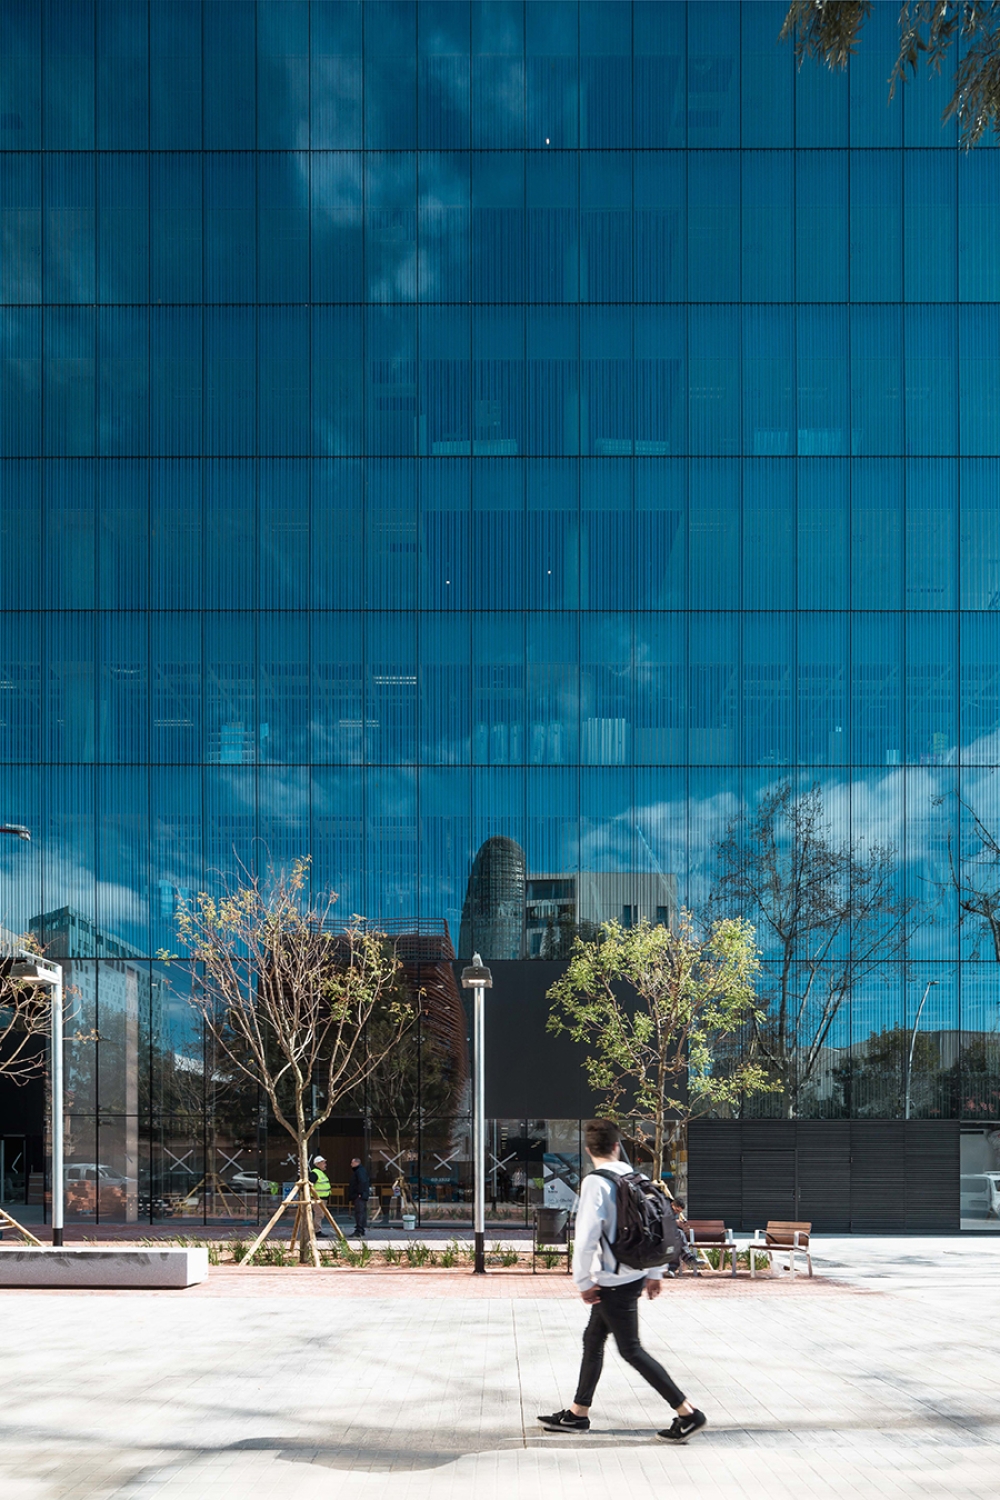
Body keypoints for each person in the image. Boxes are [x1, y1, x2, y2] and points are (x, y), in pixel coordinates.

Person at [537, 1119, 707, 1444]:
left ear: (589, 1151)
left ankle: (687, 1413)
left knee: (631, 1350)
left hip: (612, 1280)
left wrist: (582, 1281)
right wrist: (655, 1273)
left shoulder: (595, 1183)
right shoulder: (638, 1177)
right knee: (593, 1339)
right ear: (617, 1146)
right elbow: (661, 1224)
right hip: (635, 1271)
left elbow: (586, 1236)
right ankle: (577, 1413)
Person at [308, 1154, 334, 1239]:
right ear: (318, 1163)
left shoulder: (319, 1173)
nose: (325, 1165)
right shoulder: (315, 1173)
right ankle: (316, 1231)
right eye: (323, 1163)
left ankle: (316, 1230)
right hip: (317, 1198)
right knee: (319, 1214)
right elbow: (310, 1185)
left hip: (322, 1198)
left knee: (320, 1215)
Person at [349, 1155, 370, 1237]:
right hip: (361, 1194)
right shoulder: (360, 1171)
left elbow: (362, 1182)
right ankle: (361, 1229)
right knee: (361, 1212)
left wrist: (359, 1193)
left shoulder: (359, 1171)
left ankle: (359, 1229)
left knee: (359, 1212)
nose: (351, 1164)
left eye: (352, 1162)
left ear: (356, 1163)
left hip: (359, 1195)